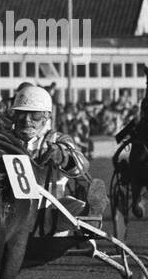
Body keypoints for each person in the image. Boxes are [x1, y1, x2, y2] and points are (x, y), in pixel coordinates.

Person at [11, 82, 106, 221]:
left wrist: (63, 156)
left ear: (46, 116)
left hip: (51, 209)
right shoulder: (5, 140)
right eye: (21, 114)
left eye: (34, 115)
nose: (26, 120)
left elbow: (81, 168)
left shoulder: (58, 139)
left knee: (78, 210)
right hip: (12, 211)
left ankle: (91, 215)